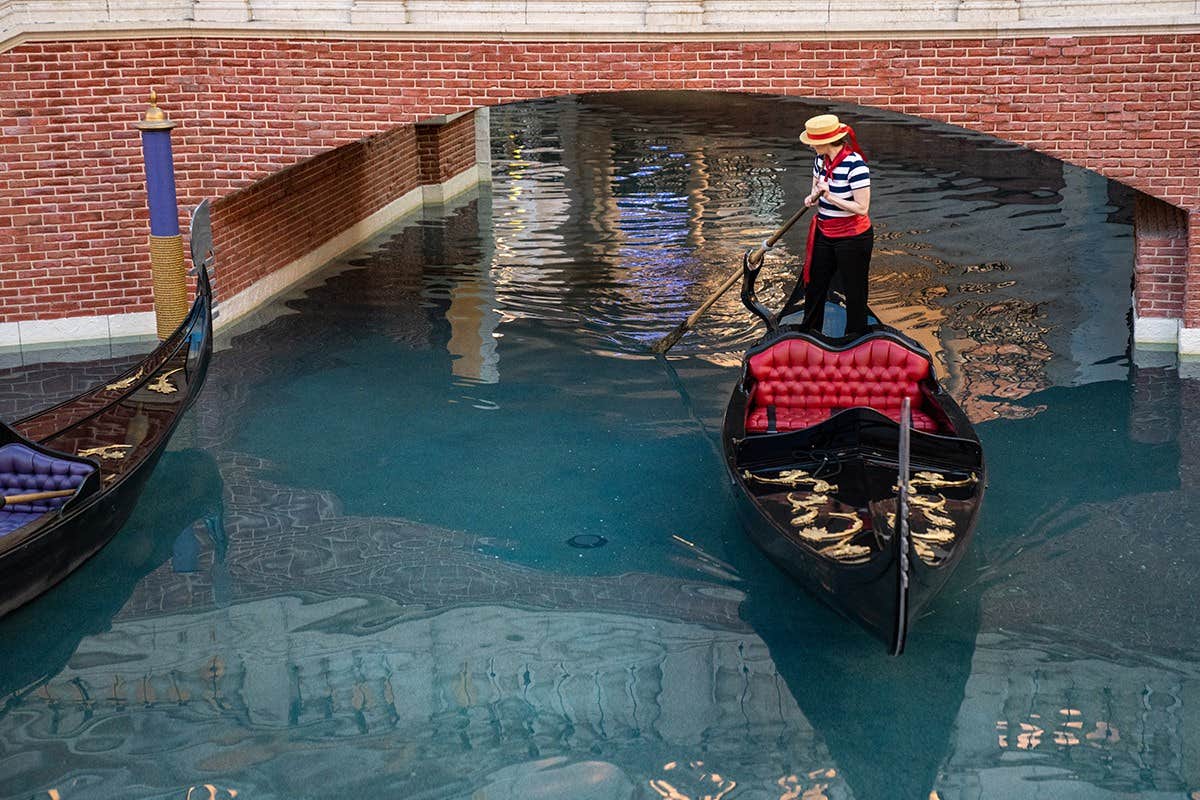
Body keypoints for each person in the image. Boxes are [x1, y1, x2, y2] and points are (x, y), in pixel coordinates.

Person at [779, 114, 873, 336]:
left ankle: (855, 337)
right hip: (824, 231)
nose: (810, 146)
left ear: (825, 142)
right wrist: (811, 197)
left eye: (813, 142)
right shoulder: (820, 161)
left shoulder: (856, 165)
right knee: (814, 286)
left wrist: (831, 198)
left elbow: (862, 208)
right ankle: (810, 334)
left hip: (853, 237)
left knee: (855, 291)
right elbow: (816, 190)